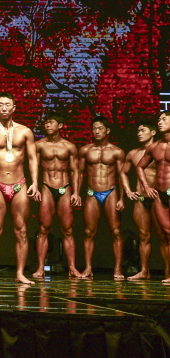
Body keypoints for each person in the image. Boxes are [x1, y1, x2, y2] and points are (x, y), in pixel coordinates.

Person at [0, 92, 40, 284]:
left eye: (7, 105)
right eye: (0, 104)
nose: (4, 108)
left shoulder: (25, 131)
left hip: (19, 184)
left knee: (21, 231)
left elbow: (32, 158)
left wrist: (35, 182)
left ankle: (20, 274)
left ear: (14, 108)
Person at [32, 112, 81, 279]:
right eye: (46, 122)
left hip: (65, 188)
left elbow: (75, 171)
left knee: (67, 230)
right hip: (46, 186)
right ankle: (40, 268)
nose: (47, 125)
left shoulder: (69, 147)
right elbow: (34, 167)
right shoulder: (39, 145)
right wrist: (35, 186)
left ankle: (72, 268)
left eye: (51, 122)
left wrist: (76, 192)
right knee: (44, 229)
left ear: (60, 126)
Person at [78, 116, 126, 280]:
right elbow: (79, 173)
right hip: (92, 192)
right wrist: (76, 193)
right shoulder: (85, 150)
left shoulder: (117, 151)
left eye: (100, 128)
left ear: (107, 130)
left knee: (116, 231)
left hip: (111, 191)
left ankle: (118, 268)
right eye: (94, 128)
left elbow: (122, 176)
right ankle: (88, 268)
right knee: (89, 232)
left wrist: (122, 198)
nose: (97, 131)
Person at [134, 110, 170, 283]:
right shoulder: (154, 147)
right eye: (159, 119)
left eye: (164, 119)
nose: (160, 122)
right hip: (159, 194)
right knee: (165, 234)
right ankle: (168, 273)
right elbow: (139, 167)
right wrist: (146, 187)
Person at [125, 120, 161, 280]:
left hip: (158, 197)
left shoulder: (161, 150)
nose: (139, 133)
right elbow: (123, 172)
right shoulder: (133, 153)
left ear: (153, 132)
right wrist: (128, 191)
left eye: (143, 130)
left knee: (164, 237)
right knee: (143, 236)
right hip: (140, 198)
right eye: (138, 130)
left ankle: (168, 273)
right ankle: (144, 271)